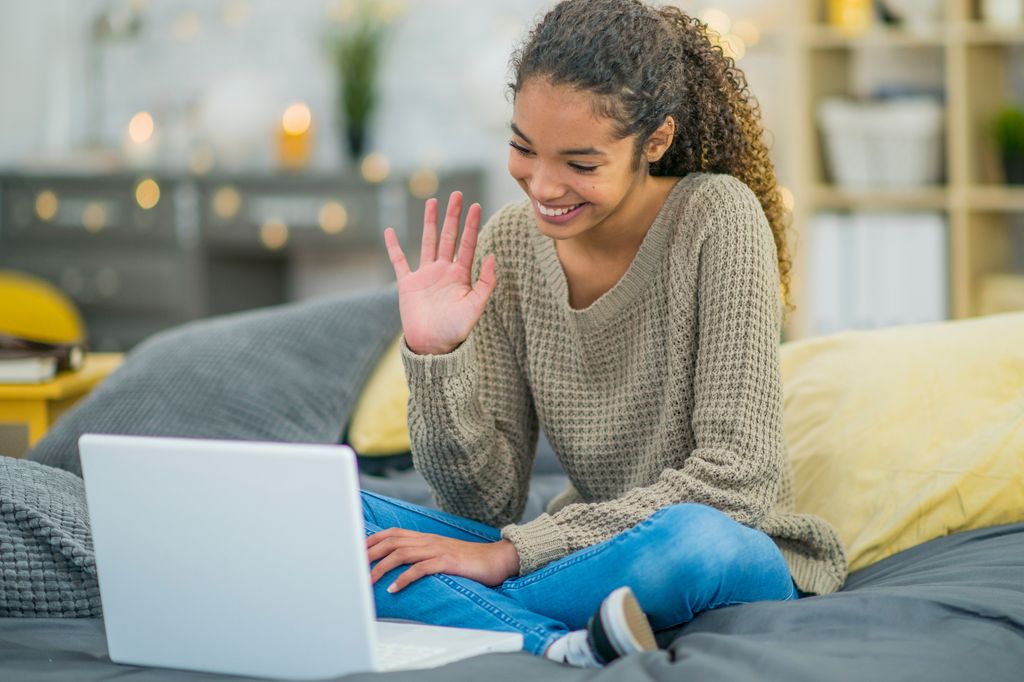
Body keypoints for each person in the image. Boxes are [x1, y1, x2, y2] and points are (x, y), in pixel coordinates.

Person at [369, 0, 848, 668]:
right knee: (350, 521)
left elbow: (737, 483)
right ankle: (563, 644)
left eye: (581, 164)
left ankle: (492, 608)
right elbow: (485, 502)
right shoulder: (510, 242)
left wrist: (510, 554)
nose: (543, 184)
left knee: (692, 540)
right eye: (522, 148)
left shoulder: (718, 220)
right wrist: (436, 355)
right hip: (583, 552)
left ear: (653, 143)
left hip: (716, 546)